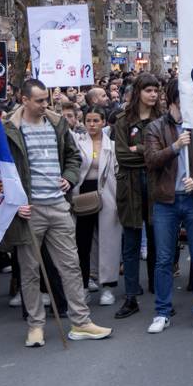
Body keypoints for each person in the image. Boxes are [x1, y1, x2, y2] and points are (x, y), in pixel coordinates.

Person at [2, 79, 112, 347]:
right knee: (29, 271)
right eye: (39, 100)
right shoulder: (9, 129)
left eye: (46, 100)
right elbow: (1, 170)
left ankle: (81, 322)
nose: (45, 105)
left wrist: (69, 177)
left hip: (59, 206)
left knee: (71, 266)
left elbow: (74, 156)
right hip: (30, 210)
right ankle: (35, 326)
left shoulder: (57, 124)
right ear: (24, 100)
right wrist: (16, 202)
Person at [144, 79, 193, 334]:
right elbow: (151, 160)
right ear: (175, 99)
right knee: (164, 259)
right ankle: (162, 312)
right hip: (166, 201)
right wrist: (175, 146)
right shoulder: (155, 127)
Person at [113, 73, 161, 319]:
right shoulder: (122, 121)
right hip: (130, 186)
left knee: (157, 240)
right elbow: (122, 155)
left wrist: (142, 150)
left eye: (156, 90)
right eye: (148, 90)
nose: (153, 94)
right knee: (131, 242)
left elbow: (164, 154)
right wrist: (150, 154)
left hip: (156, 185)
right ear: (138, 92)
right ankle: (131, 295)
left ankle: (158, 291)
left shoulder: (162, 120)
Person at [72, 107, 121, 307]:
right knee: (81, 243)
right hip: (83, 195)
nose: (92, 124)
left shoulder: (113, 145)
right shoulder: (77, 141)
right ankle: (83, 285)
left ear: (103, 122)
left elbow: (118, 171)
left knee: (108, 241)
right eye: (88, 120)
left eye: (96, 120)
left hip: (107, 194)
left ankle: (108, 287)